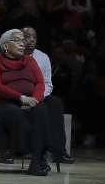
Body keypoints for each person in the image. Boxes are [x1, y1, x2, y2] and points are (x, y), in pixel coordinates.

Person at [0, 29, 51, 176]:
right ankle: (25, 152)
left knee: (42, 110)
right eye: (17, 40)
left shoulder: (30, 61)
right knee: (16, 113)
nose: (22, 44)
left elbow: (40, 82)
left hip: (29, 101)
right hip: (1, 103)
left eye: (23, 41)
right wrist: (21, 97)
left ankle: (36, 162)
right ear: (6, 46)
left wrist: (35, 100)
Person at [21, 26, 74, 164]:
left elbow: (48, 84)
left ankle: (59, 152)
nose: (31, 40)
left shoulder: (43, 57)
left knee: (55, 103)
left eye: (34, 37)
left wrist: (38, 98)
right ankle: (33, 150)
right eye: (27, 37)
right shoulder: (15, 54)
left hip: (39, 95)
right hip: (20, 95)